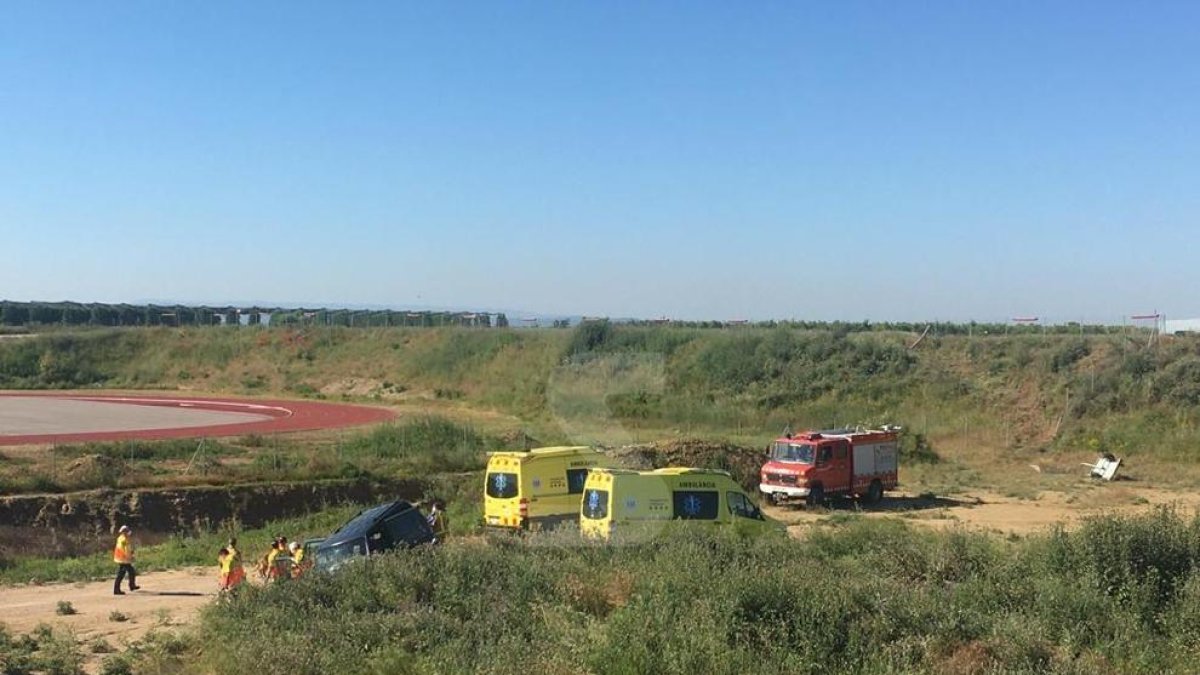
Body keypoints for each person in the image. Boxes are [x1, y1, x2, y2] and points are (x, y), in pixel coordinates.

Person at [112, 525, 140, 595]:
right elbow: (126, 550)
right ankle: (117, 590)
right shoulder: (124, 539)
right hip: (123, 559)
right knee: (122, 574)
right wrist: (130, 557)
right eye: (127, 531)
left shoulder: (121, 538)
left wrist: (131, 552)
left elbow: (127, 548)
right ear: (124, 532)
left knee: (130, 572)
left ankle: (131, 586)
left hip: (121, 558)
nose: (128, 533)